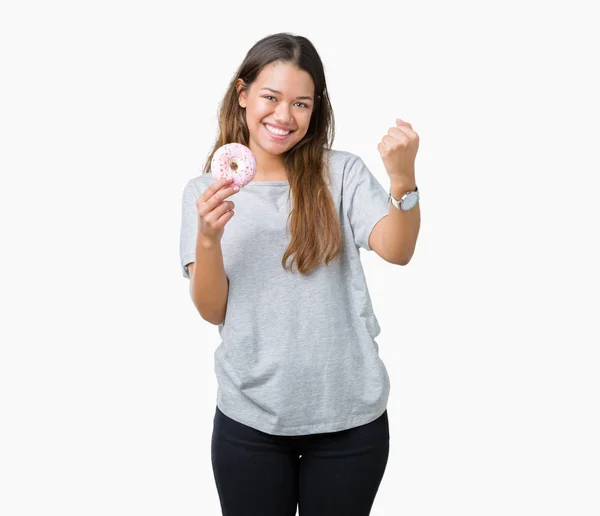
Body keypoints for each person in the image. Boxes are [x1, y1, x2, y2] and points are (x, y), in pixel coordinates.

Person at [179, 32, 420, 516]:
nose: (284, 116)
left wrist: (402, 179)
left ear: (316, 110)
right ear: (243, 94)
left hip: (349, 417)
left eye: (301, 104)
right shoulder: (205, 191)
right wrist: (207, 239)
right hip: (250, 419)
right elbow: (212, 311)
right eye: (271, 97)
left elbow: (397, 250)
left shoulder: (341, 174)